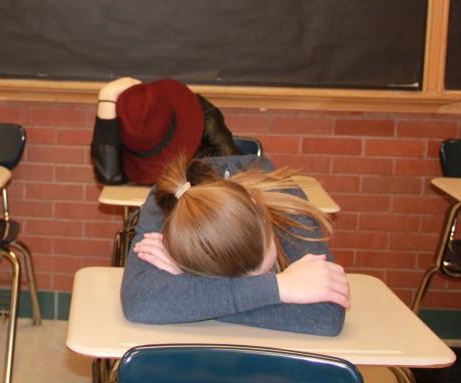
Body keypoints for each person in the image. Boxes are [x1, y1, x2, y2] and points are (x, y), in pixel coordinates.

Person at [121, 156, 349, 336]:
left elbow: (326, 315)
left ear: (256, 204)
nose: (254, 280)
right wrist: (278, 288)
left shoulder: (283, 198)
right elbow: (141, 304)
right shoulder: (169, 204)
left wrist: (190, 287)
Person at [91, 76, 248, 186]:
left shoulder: (199, 112)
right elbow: (109, 176)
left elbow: (234, 167)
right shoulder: (132, 121)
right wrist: (106, 97)